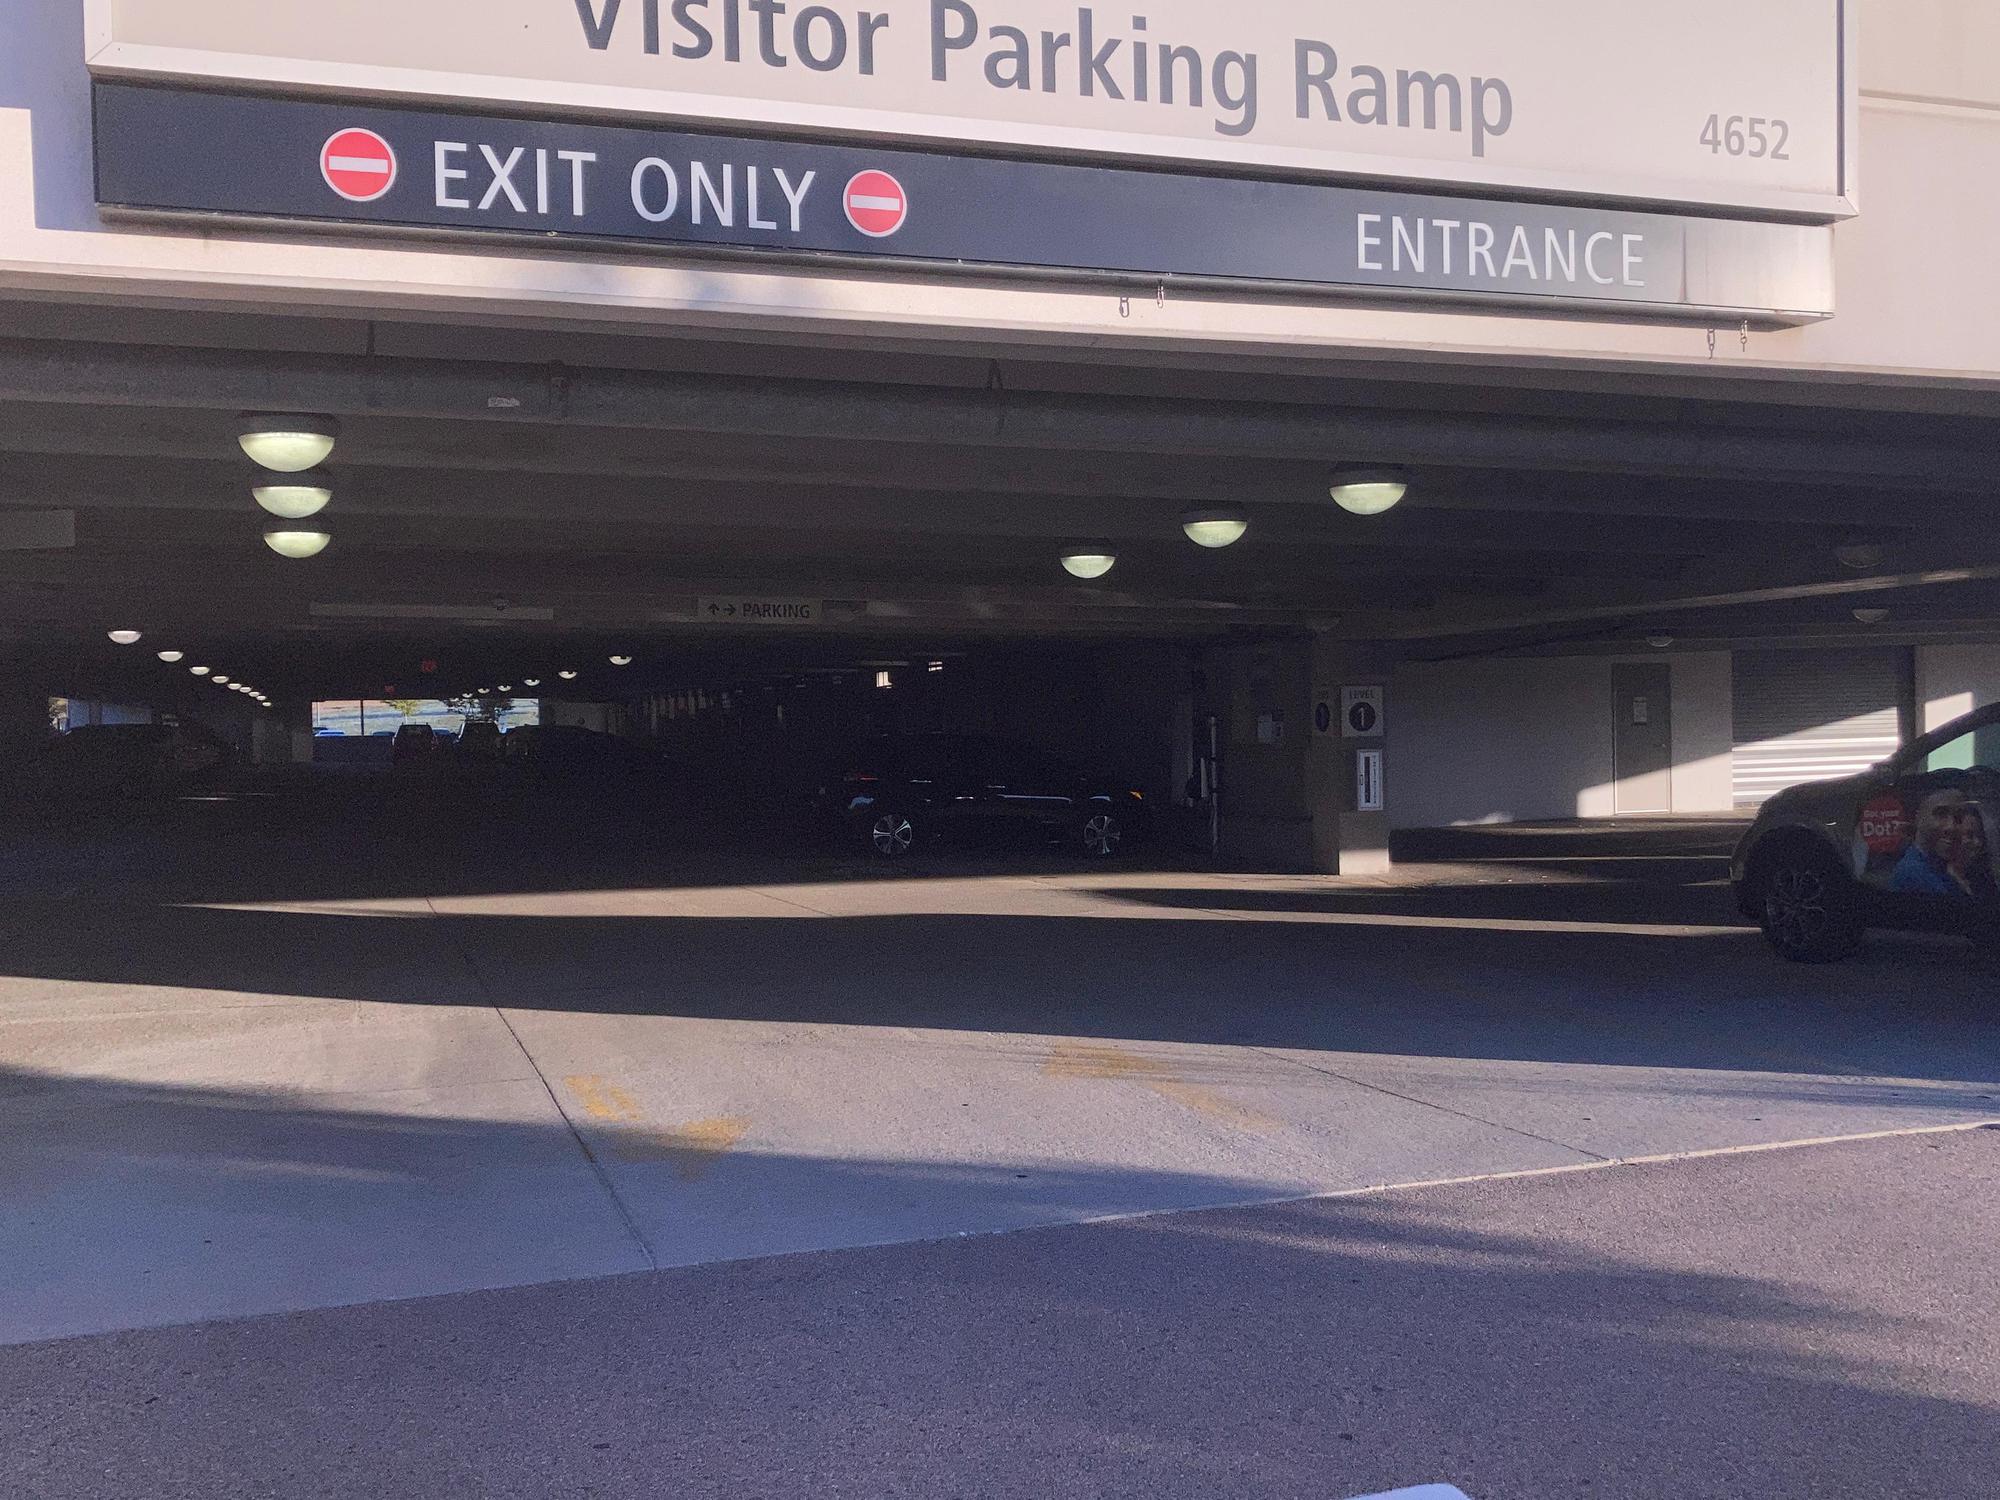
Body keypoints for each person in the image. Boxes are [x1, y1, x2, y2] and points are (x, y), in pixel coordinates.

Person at [1890, 787, 1968, 896]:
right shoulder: (1914, 877)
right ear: (1917, 818)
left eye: (1959, 817)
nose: (1951, 826)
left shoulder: (1946, 868)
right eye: (1941, 814)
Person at [1949, 802, 1998, 901]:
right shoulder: (1939, 876)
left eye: (1980, 836)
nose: (1977, 843)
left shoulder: (1984, 877)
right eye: (1969, 835)